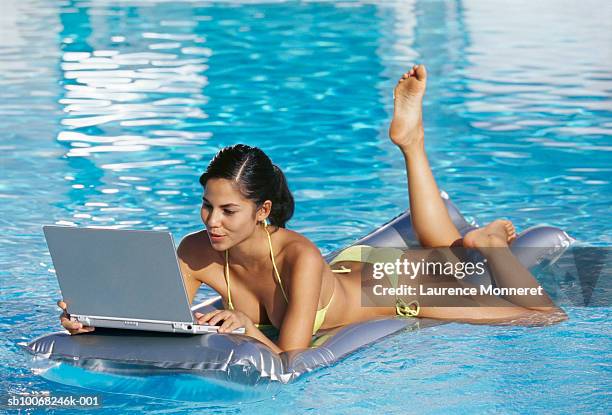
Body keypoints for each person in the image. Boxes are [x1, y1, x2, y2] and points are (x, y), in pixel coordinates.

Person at [59, 65, 567, 353]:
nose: (212, 221)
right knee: (443, 247)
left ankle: (489, 240)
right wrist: (97, 321)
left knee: (541, 315)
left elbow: (292, 358)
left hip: (392, 287)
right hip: (353, 268)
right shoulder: (195, 250)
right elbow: (158, 319)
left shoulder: (298, 255)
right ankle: (413, 147)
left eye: (228, 211)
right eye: (207, 206)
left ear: (262, 211)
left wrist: (244, 324)